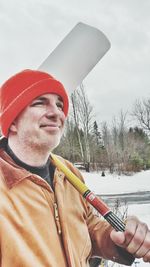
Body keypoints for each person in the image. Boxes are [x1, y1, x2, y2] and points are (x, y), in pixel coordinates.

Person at [0, 69, 149, 267]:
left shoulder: (68, 172)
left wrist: (115, 239)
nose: (56, 113)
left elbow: (87, 225)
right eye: (39, 102)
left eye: (59, 105)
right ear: (12, 123)